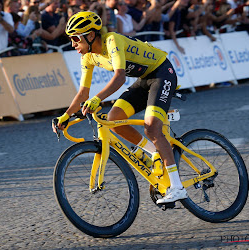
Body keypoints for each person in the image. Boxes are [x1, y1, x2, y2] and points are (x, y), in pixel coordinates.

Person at [53, 11, 188, 203]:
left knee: (152, 128)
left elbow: (120, 78)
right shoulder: (88, 57)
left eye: (76, 38)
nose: (73, 44)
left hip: (162, 72)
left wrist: (97, 99)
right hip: (144, 79)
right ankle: (155, 152)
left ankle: (177, 187)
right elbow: (83, 93)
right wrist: (65, 116)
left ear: (91, 35)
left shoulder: (112, 41)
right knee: (113, 120)